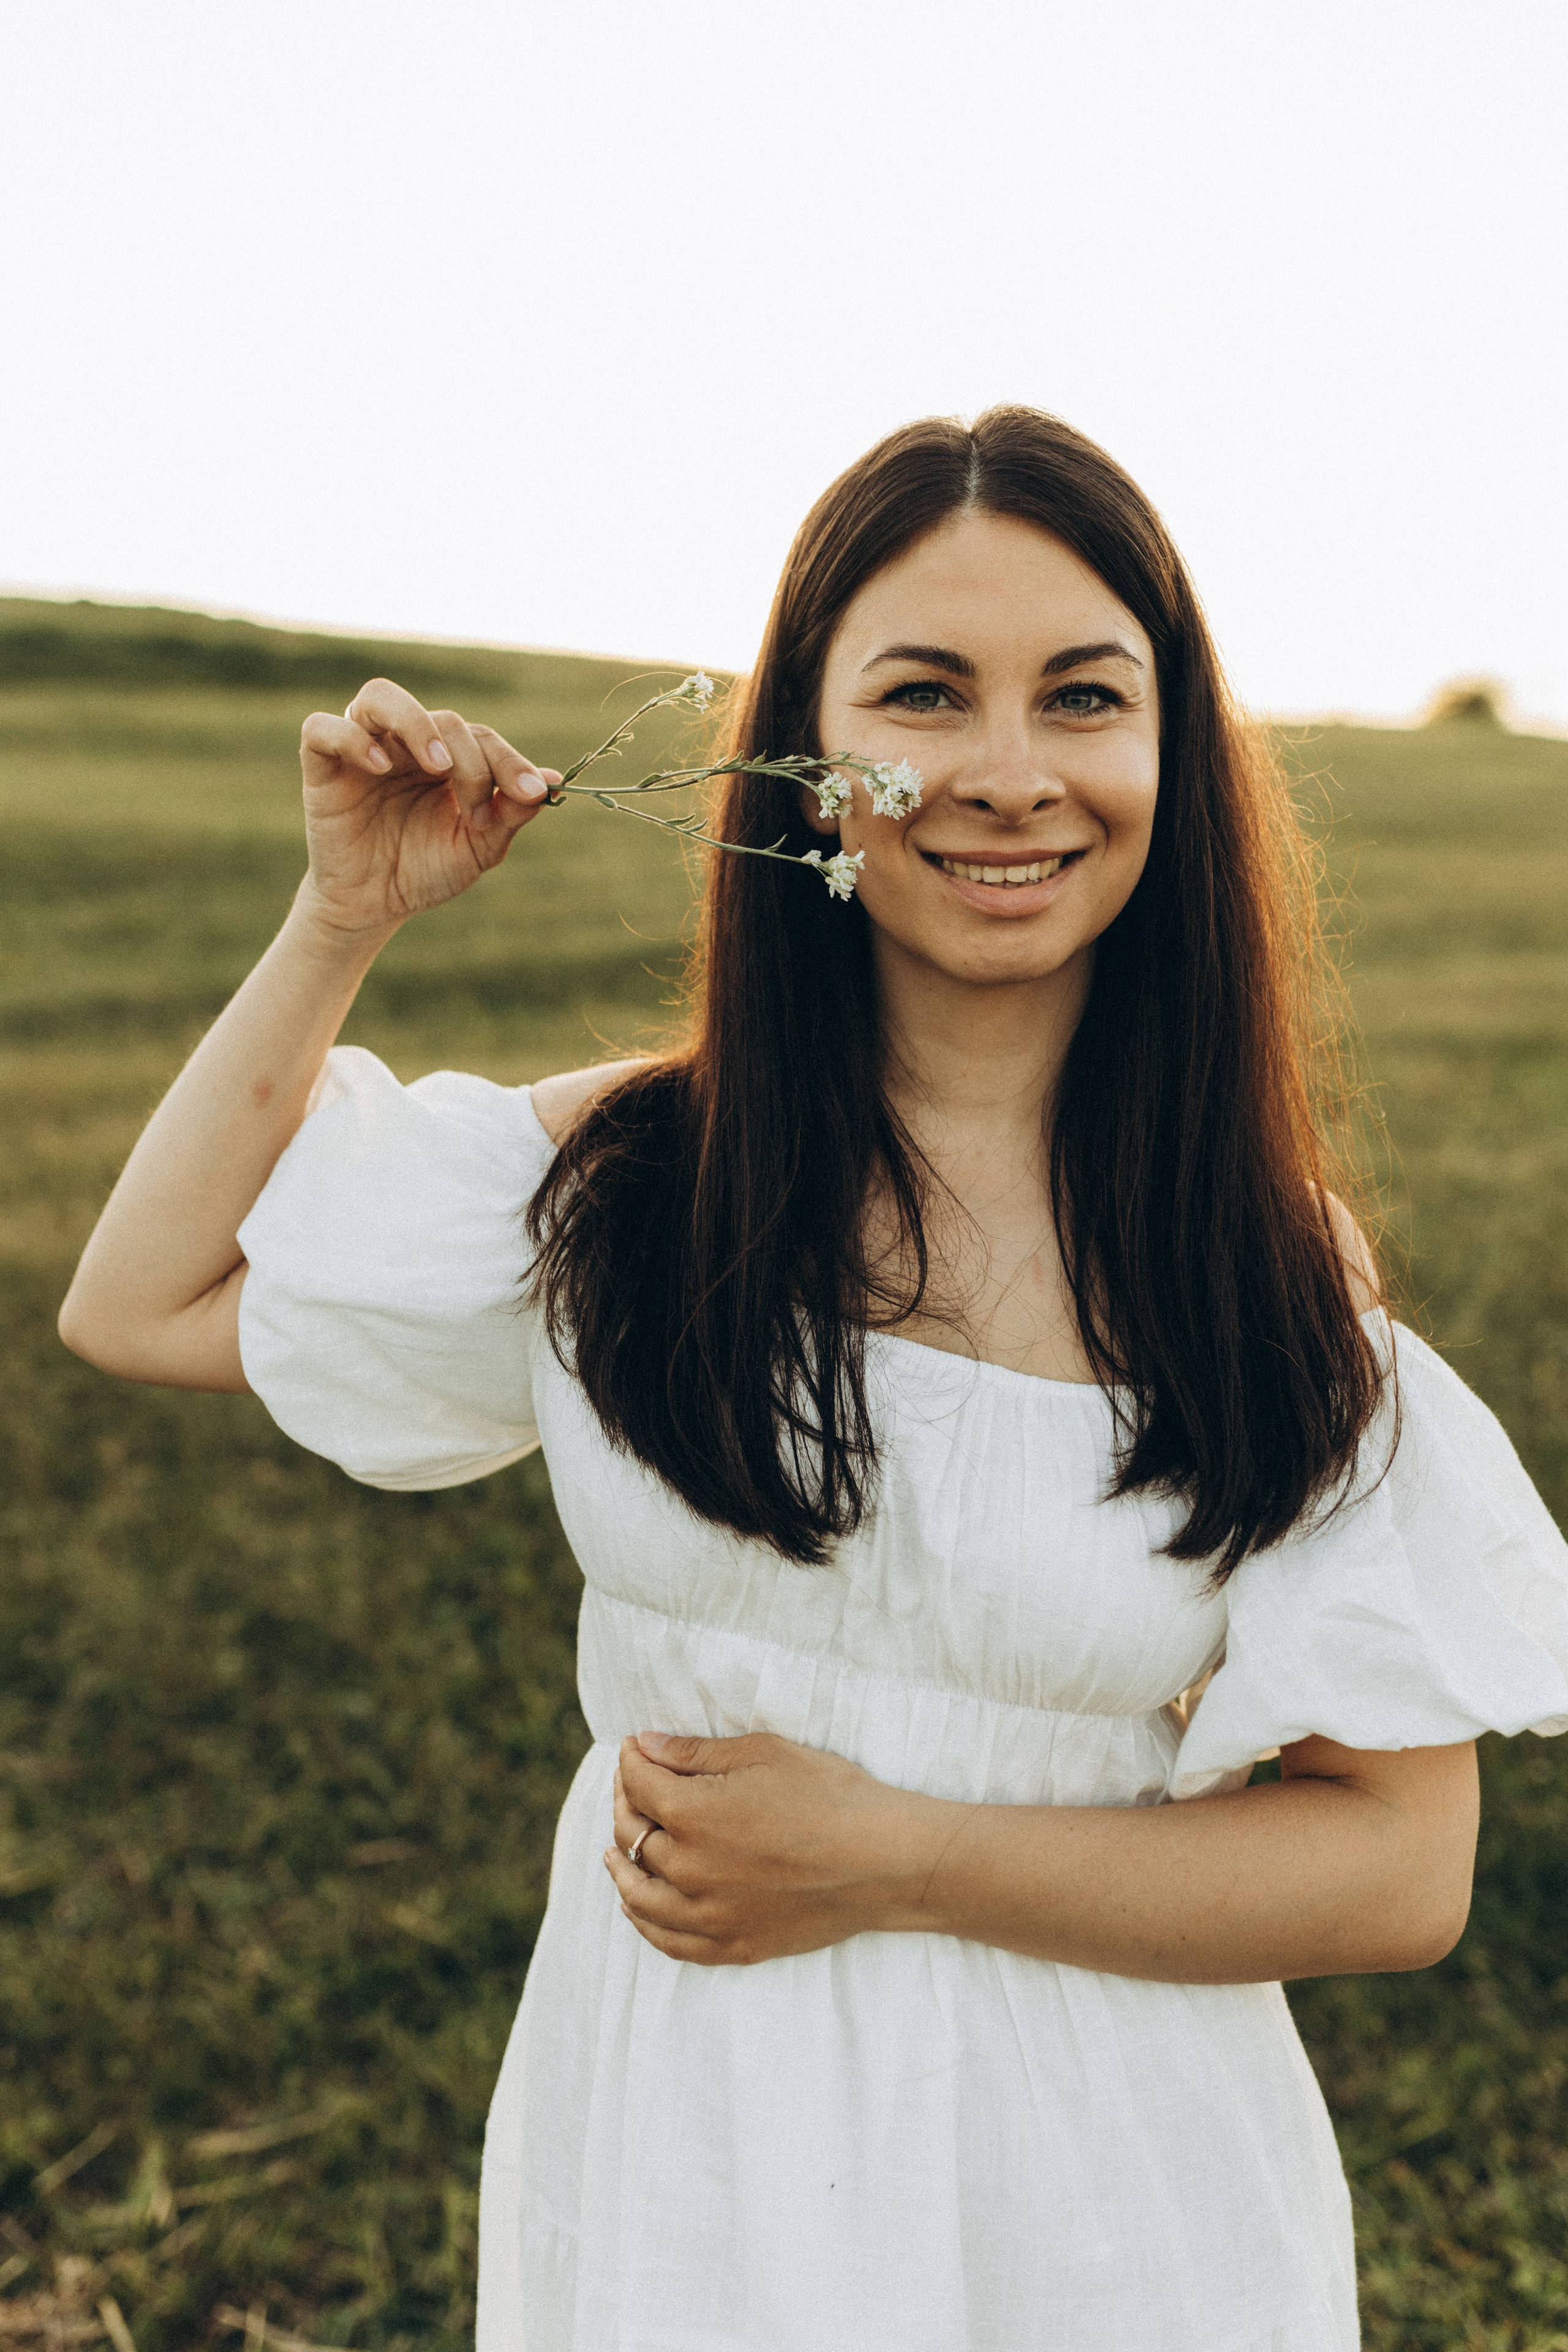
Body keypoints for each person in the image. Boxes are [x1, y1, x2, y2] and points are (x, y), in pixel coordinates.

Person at [59, 408, 1568, 2352]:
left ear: (1171, 755)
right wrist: (345, 919)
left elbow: (1396, 1865)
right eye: (923, 696)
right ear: (804, 750)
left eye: (1085, 697)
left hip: (1105, 2201)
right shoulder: (642, 1176)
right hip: (693, 2151)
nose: (1008, 776)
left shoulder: (1254, 1268)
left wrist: (896, 1858)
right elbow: (145, 1297)